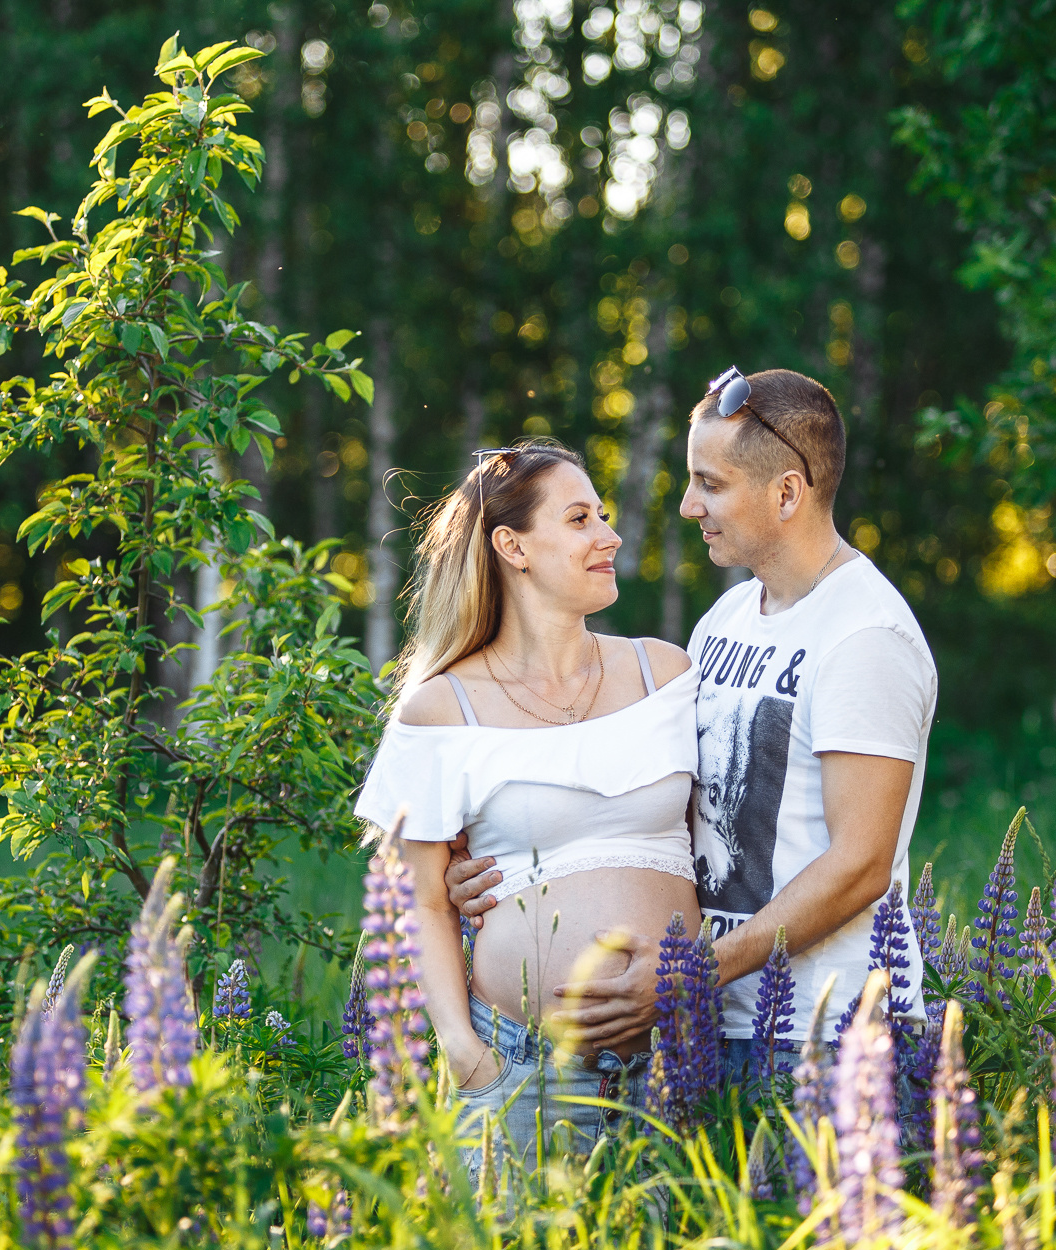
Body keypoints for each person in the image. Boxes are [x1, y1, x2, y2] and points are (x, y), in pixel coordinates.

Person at [448, 367, 937, 1075]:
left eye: (710, 484)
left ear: (787, 493)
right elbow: (665, 801)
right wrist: (507, 861)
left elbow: (860, 865)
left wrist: (690, 973)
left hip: (822, 1034)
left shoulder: (865, 635)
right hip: (710, 1029)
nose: (687, 505)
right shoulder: (727, 620)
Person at [352, 441, 698, 1161]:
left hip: (679, 1056)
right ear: (513, 547)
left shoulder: (666, 674)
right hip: (520, 1068)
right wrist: (463, 1051)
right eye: (579, 519)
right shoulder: (440, 709)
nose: (609, 536)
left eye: (603, 514)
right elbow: (419, 898)